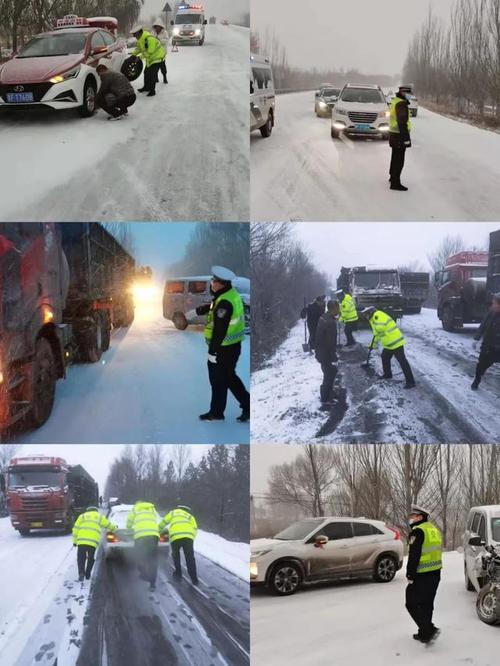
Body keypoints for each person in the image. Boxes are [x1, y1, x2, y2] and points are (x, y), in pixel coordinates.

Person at [196, 266, 250, 422]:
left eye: (213, 281)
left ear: (220, 284)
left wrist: (213, 352)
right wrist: (203, 309)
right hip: (230, 347)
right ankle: (219, 411)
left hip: (223, 349)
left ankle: (222, 411)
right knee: (226, 379)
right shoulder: (228, 295)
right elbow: (217, 306)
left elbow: (220, 330)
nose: (211, 283)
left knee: (221, 380)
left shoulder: (225, 301)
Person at [405, 505, 442, 644]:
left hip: (421, 575)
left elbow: (414, 555)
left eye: (413, 516)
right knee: (427, 604)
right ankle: (424, 634)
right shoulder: (433, 530)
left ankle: (428, 629)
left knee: (411, 603)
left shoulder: (418, 531)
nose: (411, 519)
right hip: (435, 572)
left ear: (420, 517)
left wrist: (410, 574)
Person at [361, 306, 416, 389]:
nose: (365, 317)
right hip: (389, 344)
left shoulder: (377, 316)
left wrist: (377, 329)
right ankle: (387, 374)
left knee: (402, 362)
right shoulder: (373, 319)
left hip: (395, 342)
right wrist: (373, 345)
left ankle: (411, 382)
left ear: (370, 313)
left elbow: (380, 328)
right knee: (385, 357)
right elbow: (376, 334)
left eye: (366, 315)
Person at [72, 506, 117, 582]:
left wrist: (75, 541)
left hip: (81, 541)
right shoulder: (99, 517)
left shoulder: (82, 516)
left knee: (81, 558)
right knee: (91, 558)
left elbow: (75, 529)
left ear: (87, 511)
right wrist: (115, 529)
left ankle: (81, 573)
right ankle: (88, 574)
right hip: (93, 541)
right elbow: (108, 525)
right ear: (96, 511)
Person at [159, 503, 198, 584]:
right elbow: (195, 528)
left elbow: (164, 522)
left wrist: (157, 530)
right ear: (187, 510)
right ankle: (194, 579)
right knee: (190, 558)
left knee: (176, 555)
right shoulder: (190, 516)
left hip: (175, 537)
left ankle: (178, 573)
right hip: (188, 538)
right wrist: (191, 537)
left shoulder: (173, 513)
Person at [127, 500, 161, 591]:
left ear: (137, 504)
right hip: (154, 535)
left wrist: (129, 527)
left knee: (139, 557)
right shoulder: (152, 509)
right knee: (153, 560)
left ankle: (144, 575)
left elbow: (129, 522)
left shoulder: (135, 509)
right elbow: (156, 519)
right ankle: (152, 585)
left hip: (140, 536)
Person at [471, 293, 500, 390]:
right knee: (481, 365)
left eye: (494, 303)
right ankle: (477, 380)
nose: (492, 305)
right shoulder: (491, 312)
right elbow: (483, 325)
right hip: (488, 345)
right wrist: (476, 339)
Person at [315, 300, 339, 406]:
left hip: (321, 351)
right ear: (333, 308)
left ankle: (329, 392)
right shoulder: (330, 322)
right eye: (338, 308)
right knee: (329, 374)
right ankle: (325, 398)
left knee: (330, 372)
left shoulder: (324, 317)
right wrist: (333, 356)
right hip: (325, 353)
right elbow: (330, 341)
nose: (339, 310)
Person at [130, 25, 166, 97]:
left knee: (152, 75)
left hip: (157, 58)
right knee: (146, 73)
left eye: (135, 35)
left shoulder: (149, 38)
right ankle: (146, 87)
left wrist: (140, 57)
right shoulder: (140, 39)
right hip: (150, 59)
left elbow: (150, 51)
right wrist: (133, 55)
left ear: (139, 33)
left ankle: (152, 91)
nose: (134, 37)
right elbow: (139, 49)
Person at [388, 86, 412, 191]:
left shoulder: (396, 100)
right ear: (402, 92)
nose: (410, 95)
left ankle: (392, 177)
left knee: (395, 157)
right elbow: (402, 122)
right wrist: (406, 138)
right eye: (408, 93)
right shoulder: (401, 103)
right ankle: (395, 183)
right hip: (399, 134)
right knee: (399, 160)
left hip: (394, 133)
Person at [152, 19, 169, 84]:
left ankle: (165, 77)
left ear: (160, 26)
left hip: (162, 52)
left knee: (162, 65)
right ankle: (156, 78)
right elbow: (150, 39)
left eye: (158, 26)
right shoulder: (152, 32)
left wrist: (159, 40)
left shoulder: (165, 32)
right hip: (155, 52)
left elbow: (166, 40)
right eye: (156, 26)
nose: (157, 28)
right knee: (155, 66)